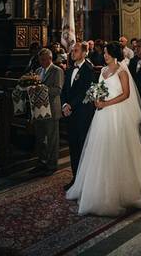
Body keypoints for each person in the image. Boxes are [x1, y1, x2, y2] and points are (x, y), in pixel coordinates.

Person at [66, 42, 141, 216]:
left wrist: (106, 103)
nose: (105, 56)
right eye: (105, 54)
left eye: (108, 53)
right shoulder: (102, 71)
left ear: (115, 54)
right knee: (100, 149)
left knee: (117, 149)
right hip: (102, 114)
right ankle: (97, 188)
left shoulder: (122, 71)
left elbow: (126, 94)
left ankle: (119, 190)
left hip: (117, 114)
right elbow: (98, 89)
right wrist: (96, 99)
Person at [61, 41, 95, 188]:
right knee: (73, 147)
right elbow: (64, 91)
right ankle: (75, 178)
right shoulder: (69, 70)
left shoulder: (89, 69)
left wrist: (71, 105)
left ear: (84, 53)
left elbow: (85, 91)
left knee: (82, 147)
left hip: (82, 113)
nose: (72, 53)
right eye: (72, 51)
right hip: (70, 115)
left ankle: (85, 180)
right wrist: (64, 105)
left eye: (75, 51)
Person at [30, 48, 63, 176]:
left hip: (52, 109)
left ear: (50, 58)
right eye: (40, 60)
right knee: (40, 139)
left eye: (44, 59)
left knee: (52, 139)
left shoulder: (57, 71)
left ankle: (52, 165)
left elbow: (58, 90)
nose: (41, 62)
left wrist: (42, 89)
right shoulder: (38, 71)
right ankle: (41, 163)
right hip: (39, 109)